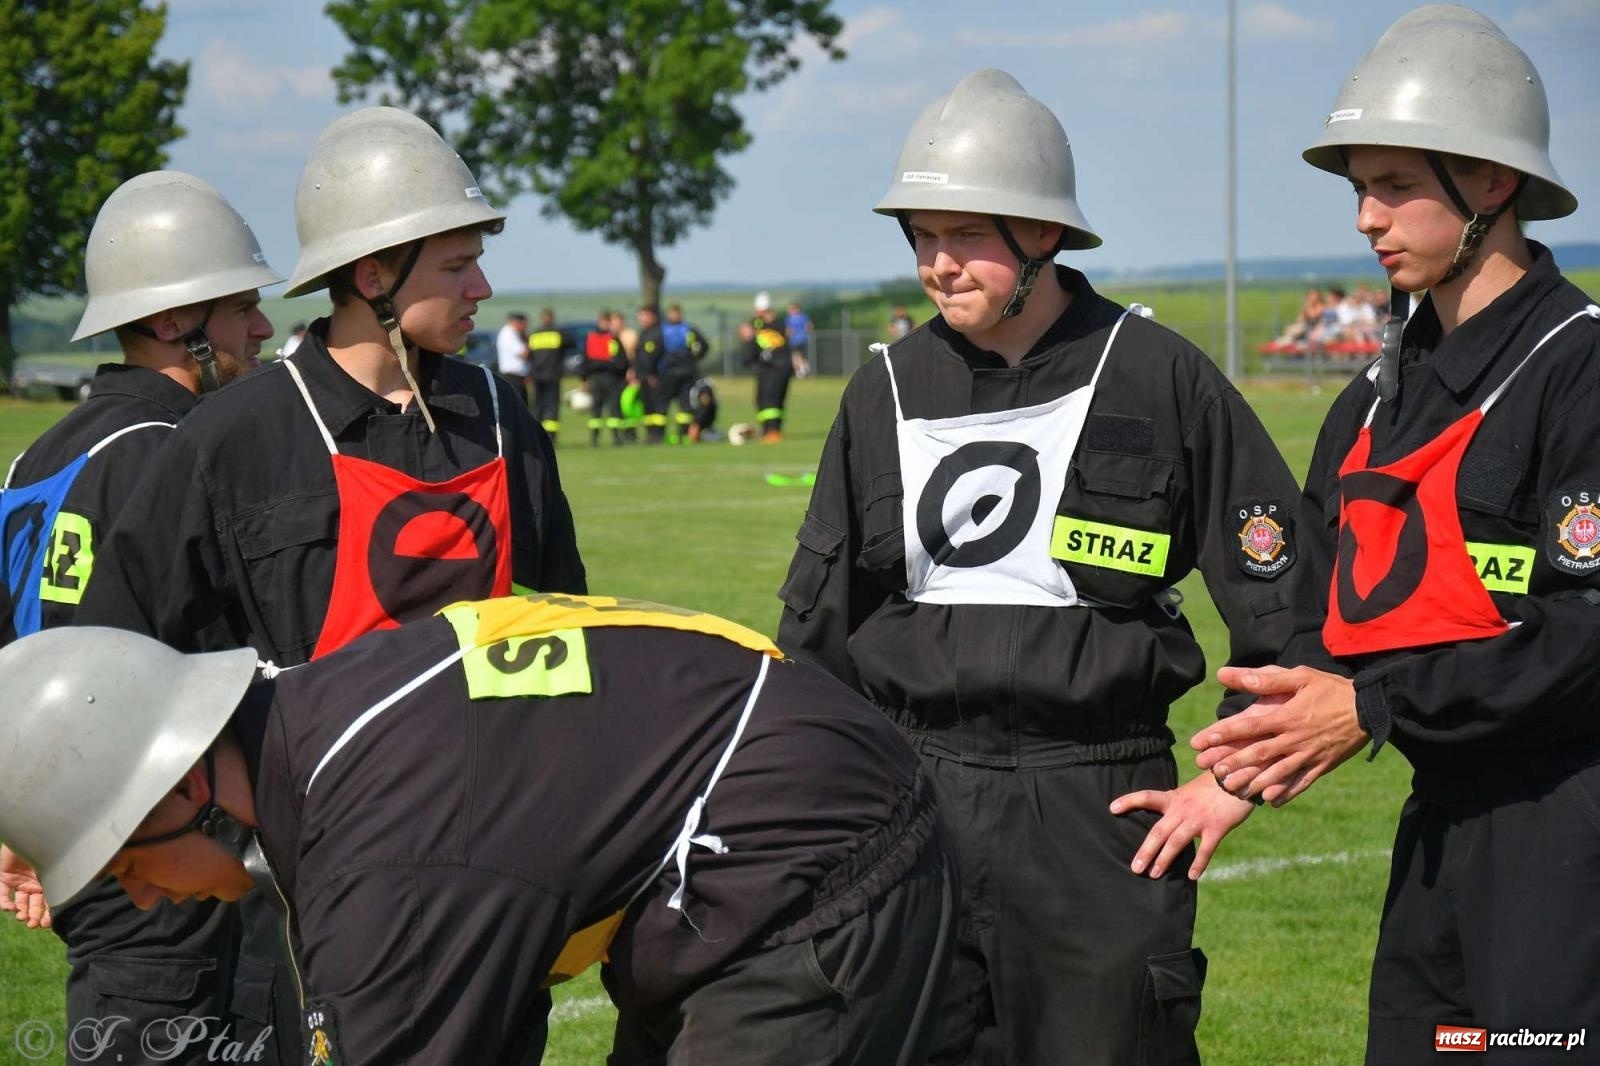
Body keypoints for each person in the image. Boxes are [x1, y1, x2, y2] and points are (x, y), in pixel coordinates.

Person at [776, 69, 1305, 1065]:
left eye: (965, 236)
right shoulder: (880, 389)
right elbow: (812, 648)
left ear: (1045, 235)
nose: (937, 264)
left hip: (1095, 816)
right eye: (921, 237)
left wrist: (1229, 783)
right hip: (911, 811)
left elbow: (1289, 611)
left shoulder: (1159, 376)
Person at [74, 105, 587, 1061]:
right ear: (371, 273)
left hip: (501, 853)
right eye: (455, 264)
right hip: (325, 872)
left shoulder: (502, 416)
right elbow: (122, 649)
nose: (482, 285)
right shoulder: (238, 436)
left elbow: (567, 618)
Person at [0, 594, 957, 1065]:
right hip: (751, 817)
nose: (135, 892)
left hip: (813, 853)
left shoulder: (385, 865)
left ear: (178, 787)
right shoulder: (310, 726)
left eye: (122, 858)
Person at [1189, 7, 1600, 1062]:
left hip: (1568, 832)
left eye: (1395, 186)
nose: (1366, 217)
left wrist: (1375, 703)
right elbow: (1333, 617)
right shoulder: (1375, 398)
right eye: (1357, 187)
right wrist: (1238, 768)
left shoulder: (1581, 370)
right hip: (1438, 834)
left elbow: (1584, 636)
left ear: (1491, 183)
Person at [0, 169, 281, 1064]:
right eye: (241, 309)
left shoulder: (36, 455)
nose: (264, 329)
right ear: (171, 322)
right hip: (164, 841)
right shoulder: (176, 455)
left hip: (76, 834)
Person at [748, 292, 794, 443]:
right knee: (761, 400)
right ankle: (766, 430)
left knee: (772, 399)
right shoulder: (757, 324)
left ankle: (774, 431)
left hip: (778, 369)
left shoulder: (779, 325)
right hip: (765, 369)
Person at [661, 303, 710, 441]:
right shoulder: (668, 330)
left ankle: (682, 433)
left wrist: (694, 359)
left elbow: (704, 345)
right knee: (667, 404)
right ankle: (662, 434)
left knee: (685, 404)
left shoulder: (686, 330)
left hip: (683, 373)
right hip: (671, 373)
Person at [527, 308, 568, 444]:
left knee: (538, 405)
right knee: (552, 405)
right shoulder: (558, 333)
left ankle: (535, 434)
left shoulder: (534, 334)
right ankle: (551, 436)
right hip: (553, 375)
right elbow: (571, 343)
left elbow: (529, 354)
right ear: (552, 318)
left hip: (537, 375)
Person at [633, 304, 669, 444]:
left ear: (652, 317)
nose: (641, 319)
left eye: (644, 316)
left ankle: (658, 435)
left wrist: (650, 374)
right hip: (644, 376)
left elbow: (652, 356)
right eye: (640, 316)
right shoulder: (644, 333)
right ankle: (650, 434)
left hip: (655, 377)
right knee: (648, 407)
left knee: (658, 406)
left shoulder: (656, 333)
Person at [497, 310, 532, 405]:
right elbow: (524, 354)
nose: (526, 327)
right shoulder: (509, 334)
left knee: (523, 405)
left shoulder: (514, 334)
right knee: (517, 406)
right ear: (517, 322)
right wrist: (530, 343)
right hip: (512, 377)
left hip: (518, 377)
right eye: (525, 324)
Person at [786, 301, 814, 374]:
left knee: (796, 355)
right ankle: (801, 368)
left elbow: (809, 326)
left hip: (799, 339)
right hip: (795, 340)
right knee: (797, 355)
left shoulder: (801, 317)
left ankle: (801, 368)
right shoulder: (790, 318)